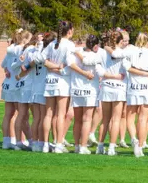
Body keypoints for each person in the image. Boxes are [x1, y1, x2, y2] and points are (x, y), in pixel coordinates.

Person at [41, 21, 76, 154]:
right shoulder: (69, 44)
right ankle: (58, 144)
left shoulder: (52, 44)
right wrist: (59, 68)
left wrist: (53, 67)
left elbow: (42, 60)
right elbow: (69, 63)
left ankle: (46, 143)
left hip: (50, 80)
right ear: (69, 31)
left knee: (49, 114)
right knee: (61, 114)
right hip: (62, 81)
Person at [95, 30, 128, 156]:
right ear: (119, 41)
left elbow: (99, 72)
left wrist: (109, 76)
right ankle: (111, 148)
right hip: (118, 88)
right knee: (116, 119)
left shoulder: (102, 52)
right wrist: (116, 76)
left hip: (106, 87)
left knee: (105, 119)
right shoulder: (122, 52)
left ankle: (100, 146)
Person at [69, 34, 102, 154]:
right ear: (96, 45)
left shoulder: (76, 53)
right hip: (90, 89)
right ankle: (83, 146)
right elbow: (99, 72)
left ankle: (77, 146)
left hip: (76, 88)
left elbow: (71, 66)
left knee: (77, 120)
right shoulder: (97, 55)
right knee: (87, 119)